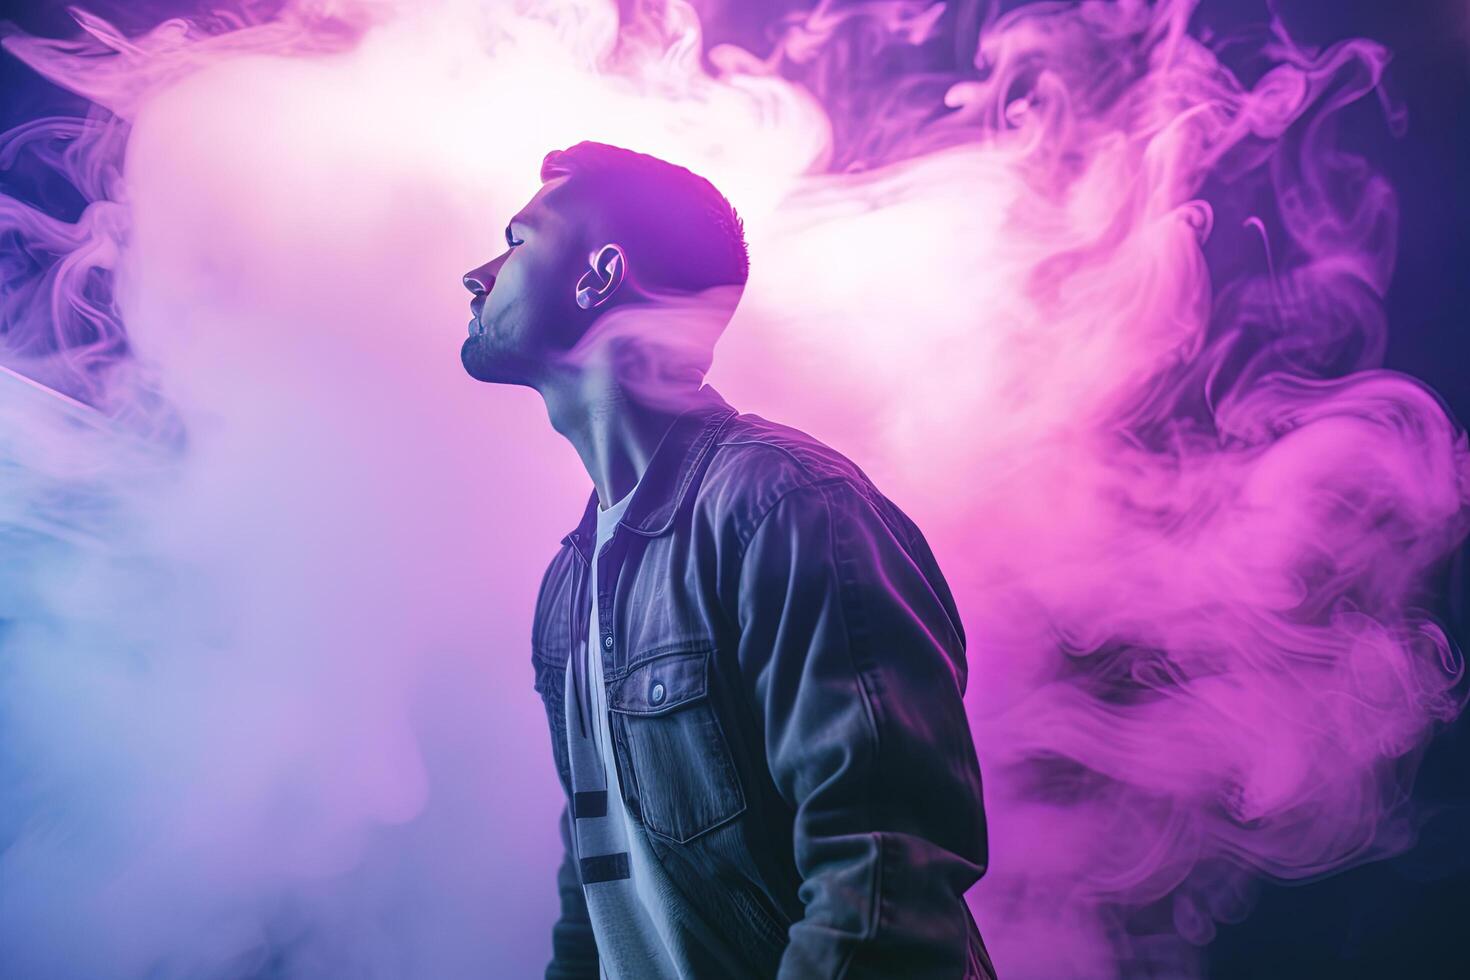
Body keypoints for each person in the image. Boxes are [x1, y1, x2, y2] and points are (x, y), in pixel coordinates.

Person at [461, 142, 996, 979]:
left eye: (518, 241)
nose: (477, 273)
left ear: (598, 277)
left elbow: (885, 882)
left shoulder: (786, 507)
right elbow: (597, 898)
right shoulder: (569, 587)